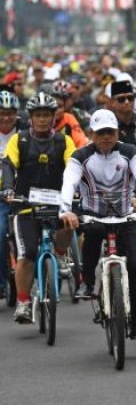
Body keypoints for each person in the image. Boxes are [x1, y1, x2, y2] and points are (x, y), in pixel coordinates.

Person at [59, 109, 136, 340]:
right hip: (94, 216)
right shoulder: (80, 156)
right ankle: (88, 282)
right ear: (92, 134)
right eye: (101, 132)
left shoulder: (130, 152)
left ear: (117, 132)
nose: (106, 137)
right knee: (92, 233)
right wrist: (65, 211)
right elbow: (69, 183)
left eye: (110, 132)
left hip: (126, 217)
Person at [2, 92, 76, 323]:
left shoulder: (64, 140)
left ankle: (62, 255)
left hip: (57, 202)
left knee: (70, 223)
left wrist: (76, 192)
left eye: (47, 115)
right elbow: (8, 165)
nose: (43, 119)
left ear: (54, 117)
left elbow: (74, 168)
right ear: (31, 117)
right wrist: (8, 189)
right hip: (25, 204)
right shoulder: (20, 140)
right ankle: (23, 301)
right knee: (27, 255)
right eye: (38, 115)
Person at [0, 90, 20, 300]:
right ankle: (2, 281)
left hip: (21, 194)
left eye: (10, 113)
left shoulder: (25, 132)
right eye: (2, 112)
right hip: (0, 197)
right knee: (0, 232)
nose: (6, 117)